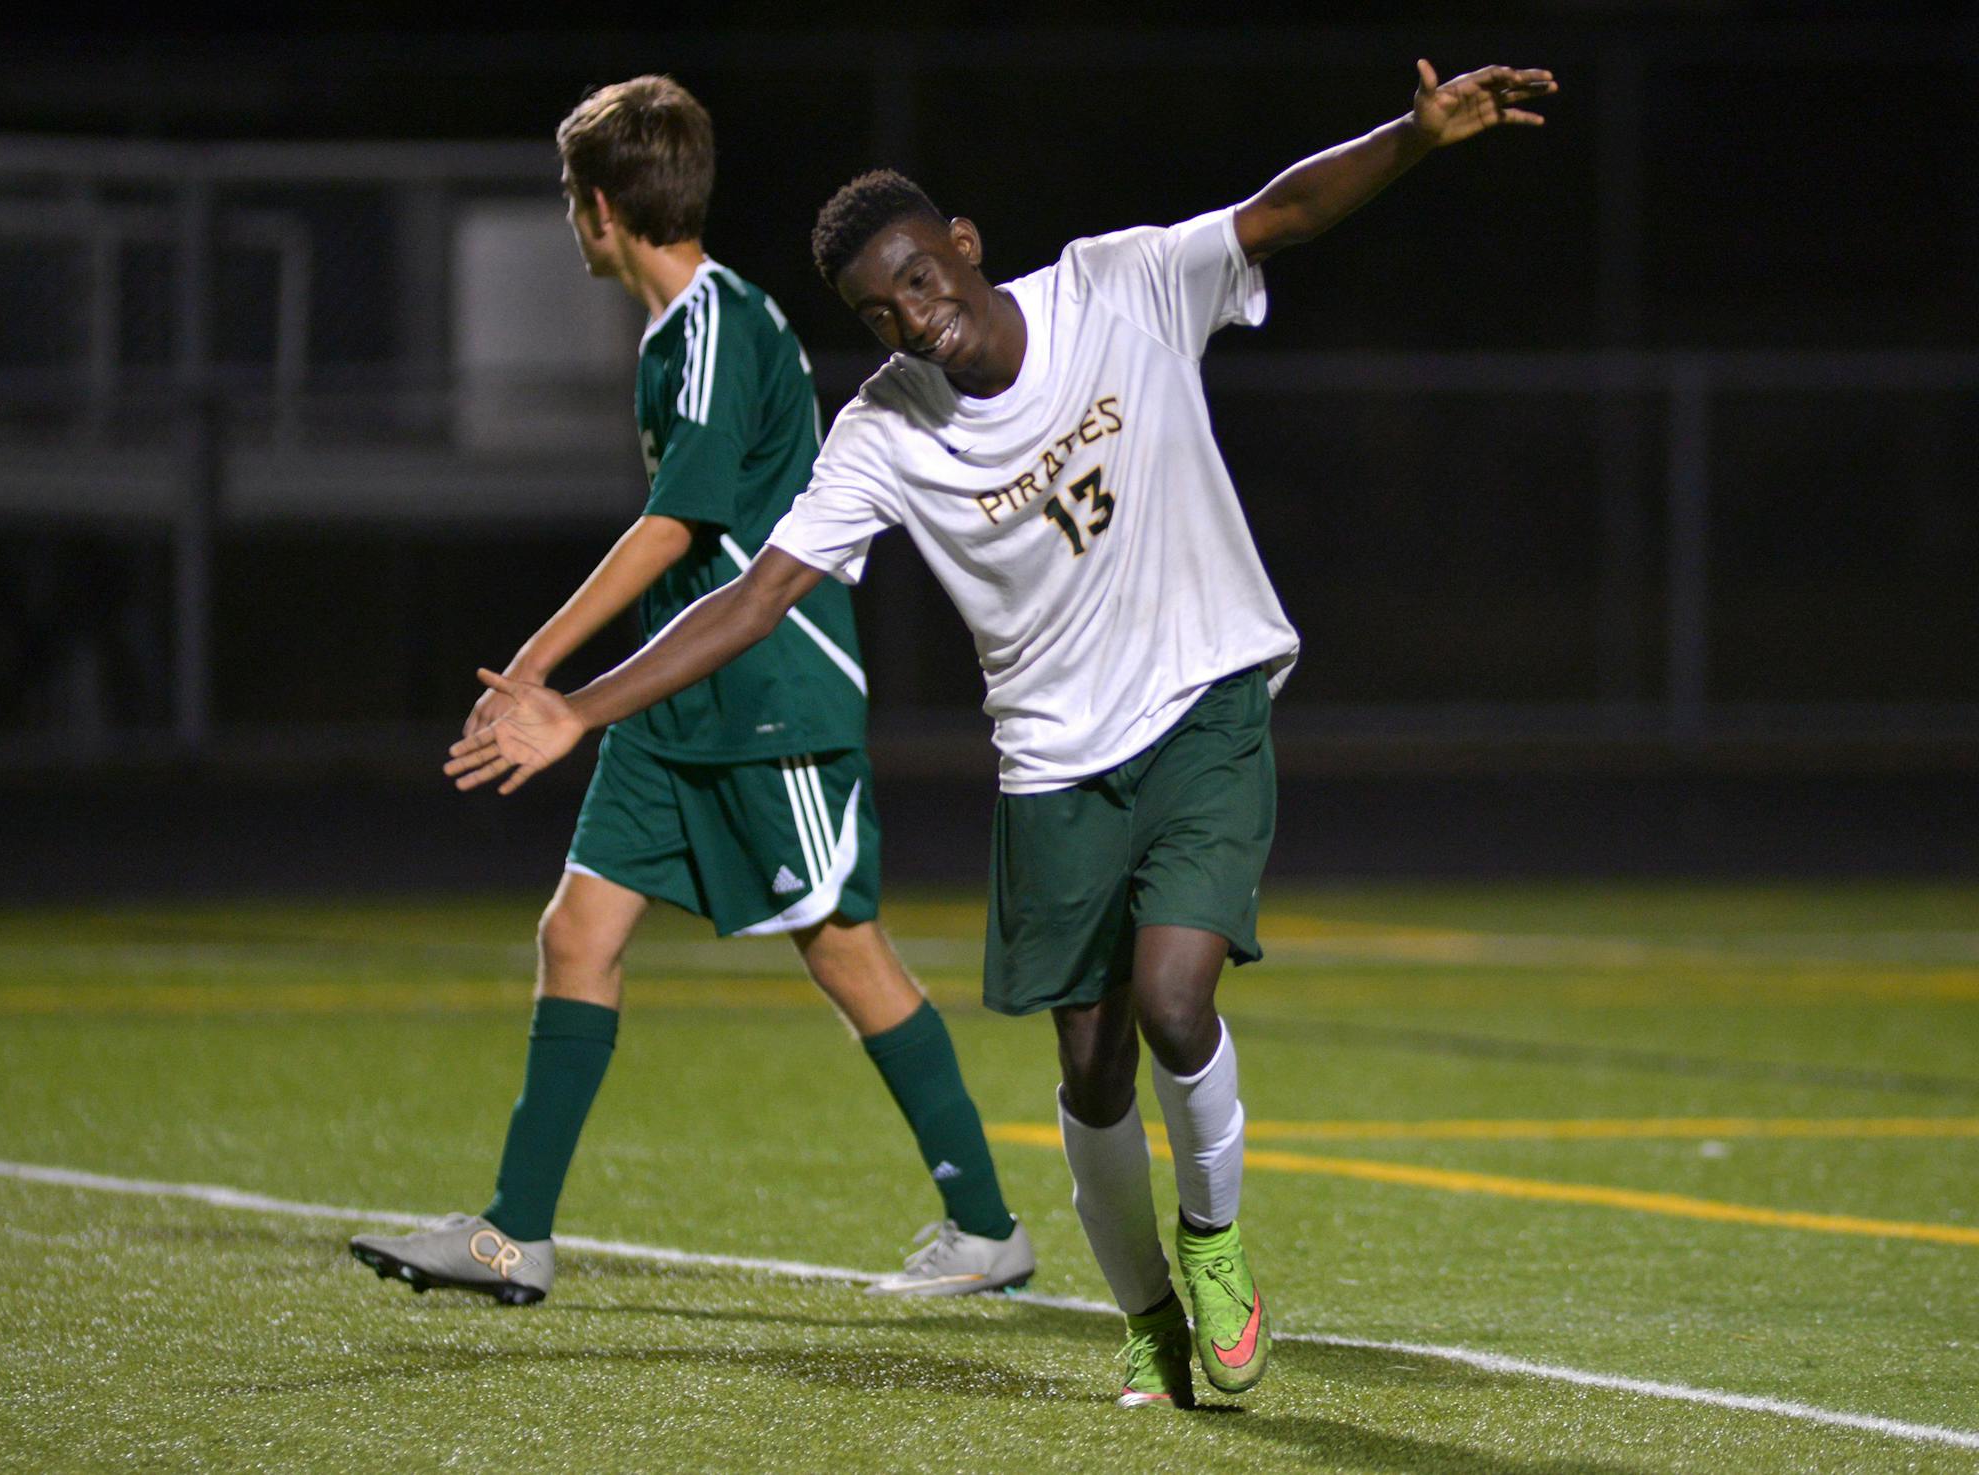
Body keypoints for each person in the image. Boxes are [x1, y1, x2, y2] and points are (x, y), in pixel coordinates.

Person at [444, 61, 1555, 1402]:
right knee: (1088, 1072)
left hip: (1204, 710)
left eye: (922, 278)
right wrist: (579, 703)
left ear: (964, 246)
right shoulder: (883, 431)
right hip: (1053, 769)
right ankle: (1147, 1309)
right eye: (879, 311)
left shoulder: (1115, 285)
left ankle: (1213, 1247)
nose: (915, 318)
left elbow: (1282, 214)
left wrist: (1417, 138)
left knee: (1171, 998)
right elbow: (754, 595)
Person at [351, 75, 1033, 1307]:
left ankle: (985, 1224)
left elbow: (677, 528)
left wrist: (544, 668)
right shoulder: (676, 334)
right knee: (577, 930)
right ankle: (516, 1233)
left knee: (846, 953)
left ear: (601, 209)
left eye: (572, 198)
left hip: (770, 692)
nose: (572, 219)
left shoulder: (719, 323)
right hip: (676, 700)